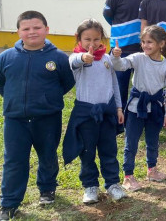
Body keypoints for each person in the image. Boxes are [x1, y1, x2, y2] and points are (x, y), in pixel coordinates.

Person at [0, 11, 75, 220]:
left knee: (47, 155)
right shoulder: (6, 57)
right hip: (15, 119)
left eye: (37, 28)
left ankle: (47, 189)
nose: (32, 32)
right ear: (18, 31)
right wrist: (14, 99)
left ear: (46, 30)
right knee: (14, 160)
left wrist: (48, 99)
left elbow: (66, 82)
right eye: (26, 28)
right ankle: (9, 204)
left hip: (47, 118)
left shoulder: (57, 58)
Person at [62, 19, 126, 204]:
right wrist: (83, 58)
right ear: (78, 39)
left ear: (102, 39)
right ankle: (90, 186)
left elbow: (114, 85)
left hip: (106, 112)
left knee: (109, 150)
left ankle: (113, 184)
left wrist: (118, 107)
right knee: (87, 151)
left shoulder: (106, 59)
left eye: (96, 39)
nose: (92, 43)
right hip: (86, 114)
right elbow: (74, 62)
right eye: (87, 39)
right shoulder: (77, 58)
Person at [111, 26, 166, 191]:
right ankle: (128, 176)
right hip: (135, 108)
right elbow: (121, 66)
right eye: (143, 42)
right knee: (131, 142)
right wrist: (116, 56)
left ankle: (152, 169)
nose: (145, 45)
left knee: (152, 141)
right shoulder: (138, 58)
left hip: (155, 108)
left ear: (161, 44)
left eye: (150, 42)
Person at [103, 0, 154, 109]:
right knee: (120, 86)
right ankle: (120, 116)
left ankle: (141, 113)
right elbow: (108, 16)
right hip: (121, 49)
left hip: (144, 49)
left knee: (143, 85)